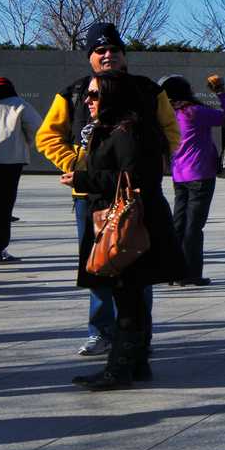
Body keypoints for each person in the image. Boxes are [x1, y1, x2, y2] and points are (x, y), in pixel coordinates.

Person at [36, 24, 181, 359]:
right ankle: (100, 333)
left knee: (136, 264)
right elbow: (46, 136)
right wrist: (76, 162)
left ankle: (137, 336)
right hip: (92, 196)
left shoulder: (147, 90)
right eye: (99, 51)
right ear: (90, 58)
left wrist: (151, 160)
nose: (107, 56)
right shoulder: (74, 93)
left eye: (113, 50)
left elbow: (171, 132)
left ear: (123, 54)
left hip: (135, 194)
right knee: (100, 263)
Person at [63, 62, 188, 391]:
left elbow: (136, 179)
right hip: (129, 221)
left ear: (113, 96)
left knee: (128, 296)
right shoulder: (119, 127)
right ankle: (137, 364)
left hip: (130, 225)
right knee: (128, 294)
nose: (87, 100)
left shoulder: (130, 130)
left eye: (94, 94)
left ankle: (117, 371)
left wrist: (82, 178)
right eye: (86, 94)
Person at [163, 74, 225, 285]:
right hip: (200, 174)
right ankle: (191, 274)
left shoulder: (167, 114)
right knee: (194, 226)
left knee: (179, 222)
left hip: (178, 174)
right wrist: (221, 91)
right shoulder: (193, 112)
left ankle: (172, 272)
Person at [0, 77, 40, 264]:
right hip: (8, 160)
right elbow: (37, 129)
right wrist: (23, 144)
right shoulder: (19, 104)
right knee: (0, 205)